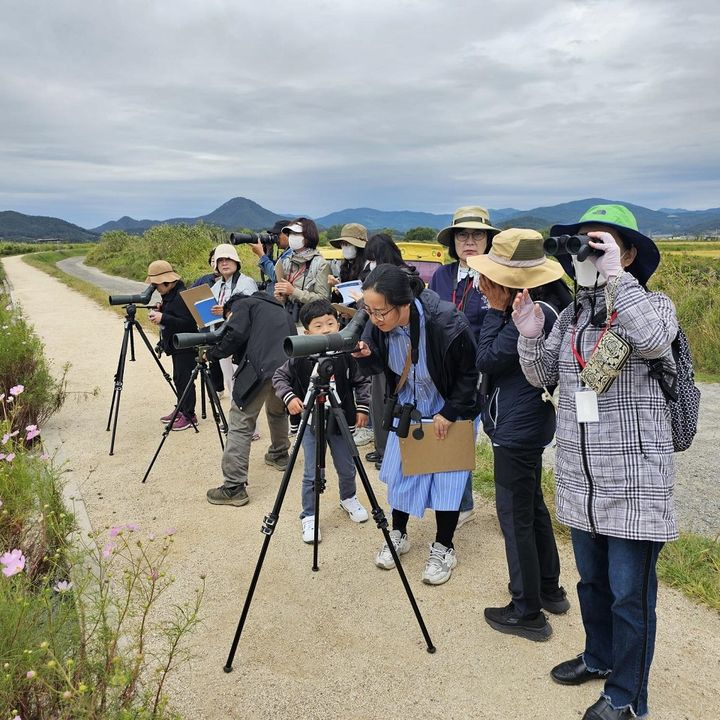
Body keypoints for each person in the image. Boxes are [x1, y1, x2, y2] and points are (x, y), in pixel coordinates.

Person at [513, 205, 677, 720]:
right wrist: (530, 331)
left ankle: (629, 697)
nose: (584, 252)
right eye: (580, 245)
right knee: (591, 582)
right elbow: (542, 376)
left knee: (630, 595)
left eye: (598, 243)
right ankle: (599, 656)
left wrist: (617, 280)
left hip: (634, 481)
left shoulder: (653, 304)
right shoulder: (575, 317)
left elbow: (652, 339)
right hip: (582, 480)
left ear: (627, 254)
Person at [467, 228, 570, 642]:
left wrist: (494, 309)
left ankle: (527, 610)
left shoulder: (531, 311)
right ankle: (549, 589)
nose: (486, 284)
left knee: (515, 517)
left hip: (516, 426)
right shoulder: (552, 299)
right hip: (530, 421)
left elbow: (488, 358)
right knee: (532, 507)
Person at [353, 264, 479, 585]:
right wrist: (365, 354)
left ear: (405, 302)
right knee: (404, 476)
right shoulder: (379, 324)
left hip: (447, 410)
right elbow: (380, 365)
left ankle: (444, 547)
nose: (375, 318)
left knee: (447, 484)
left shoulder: (446, 322)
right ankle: (398, 534)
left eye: (380, 311)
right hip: (410, 409)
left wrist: (450, 412)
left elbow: (469, 374)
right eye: (369, 310)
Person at [272, 299, 371, 542]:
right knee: (311, 472)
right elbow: (279, 377)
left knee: (347, 466)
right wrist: (289, 397)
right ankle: (309, 515)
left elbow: (362, 381)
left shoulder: (346, 354)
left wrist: (362, 407)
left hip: (340, 421)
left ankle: (348, 497)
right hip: (311, 422)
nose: (327, 329)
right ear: (306, 333)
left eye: (331, 323)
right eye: (319, 326)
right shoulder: (299, 356)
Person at [430, 206, 501, 528]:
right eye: (462, 235)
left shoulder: (499, 274)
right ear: (453, 241)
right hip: (451, 372)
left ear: (488, 240)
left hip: (492, 370)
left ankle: (510, 514)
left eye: (477, 235)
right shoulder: (441, 276)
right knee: (456, 436)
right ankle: (462, 503)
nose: (469, 241)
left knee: (502, 441)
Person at [205, 288, 298, 506]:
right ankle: (279, 454)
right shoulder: (277, 309)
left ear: (230, 309)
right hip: (287, 366)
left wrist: (213, 353)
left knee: (241, 420)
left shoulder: (242, 305)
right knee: (276, 411)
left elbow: (235, 333)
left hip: (262, 368)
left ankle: (233, 487)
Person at [360, 233, 415, 469]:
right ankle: (386, 450)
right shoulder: (376, 309)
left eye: (372, 258)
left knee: (393, 399)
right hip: (384, 350)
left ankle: (392, 451)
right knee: (381, 401)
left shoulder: (401, 279)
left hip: (403, 357)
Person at [146, 260, 198, 431]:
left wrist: (164, 318)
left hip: (186, 345)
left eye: (157, 285)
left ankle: (190, 416)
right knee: (178, 378)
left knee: (185, 379)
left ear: (167, 282)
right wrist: (163, 311)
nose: (156, 288)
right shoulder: (170, 295)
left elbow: (189, 324)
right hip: (177, 345)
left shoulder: (181, 296)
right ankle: (181, 408)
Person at [209, 243, 259, 395]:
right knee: (229, 380)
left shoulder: (247, 283)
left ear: (237, 262)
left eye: (228, 259)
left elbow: (252, 312)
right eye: (220, 260)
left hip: (241, 340)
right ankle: (235, 415)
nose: (224, 263)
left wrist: (225, 311)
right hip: (222, 338)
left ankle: (243, 416)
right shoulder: (216, 287)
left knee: (242, 380)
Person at [273, 217, 330, 320]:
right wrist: (281, 297)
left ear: (308, 236)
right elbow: (284, 297)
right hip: (289, 316)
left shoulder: (320, 264)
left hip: (311, 320)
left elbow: (323, 299)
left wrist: (294, 291)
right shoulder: (285, 262)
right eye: (290, 234)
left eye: (296, 234)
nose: (291, 237)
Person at [190, 248, 225, 396]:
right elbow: (190, 296)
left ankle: (222, 387)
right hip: (206, 324)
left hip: (224, 326)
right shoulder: (203, 280)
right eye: (212, 260)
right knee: (208, 356)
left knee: (222, 357)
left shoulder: (234, 281)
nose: (214, 263)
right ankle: (216, 388)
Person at [249, 219, 292, 296]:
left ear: (287, 234)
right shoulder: (287, 251)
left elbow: (276, 276)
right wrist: (269, 251)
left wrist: (261, 255)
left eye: (277, 235)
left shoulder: (292, 253)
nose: (275, 238)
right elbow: (271, 270)